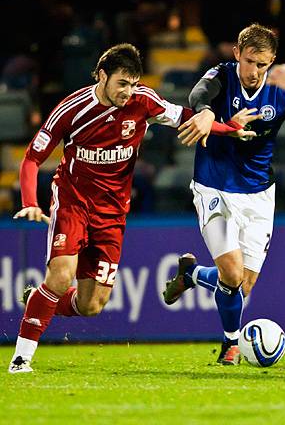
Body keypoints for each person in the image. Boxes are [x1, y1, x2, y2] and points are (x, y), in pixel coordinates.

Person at [8, 43, 258, 374]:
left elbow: (187, 118)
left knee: (91, 305)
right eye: (122, 83)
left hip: (112, 214)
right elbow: (32, 158)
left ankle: (41, 300)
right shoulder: (72, 109)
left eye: (133, 83)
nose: (128, 91)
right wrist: (29, 203)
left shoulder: (144, 102)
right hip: (73, 202)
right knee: (60, 274)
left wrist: (228, 129)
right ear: (102, 76)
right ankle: (21, 359)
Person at [163, 23, 285, 365]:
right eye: (249, 61)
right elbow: (199, 94)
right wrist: (205, 114)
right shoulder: (222, 74)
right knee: (232, 275)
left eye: (262, 64)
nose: (254, 71)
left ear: (273, 61)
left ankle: (191, 274)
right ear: (237, 54)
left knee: (242, 285)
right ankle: (230, 346)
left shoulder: (283, 91)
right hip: (213, 185)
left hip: (259, 194)